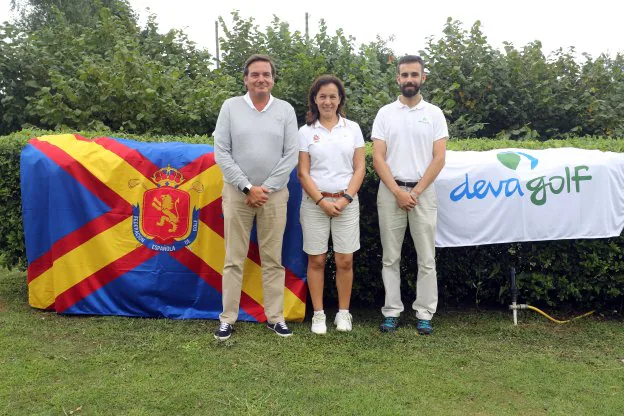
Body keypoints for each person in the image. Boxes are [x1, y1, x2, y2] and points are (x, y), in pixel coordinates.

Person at [213, 54, 299, 340]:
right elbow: (221, 151)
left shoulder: (285, 110)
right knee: (233, 259)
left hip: (274, 197)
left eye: (266, 74)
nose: (261, 79)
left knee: (273, 259)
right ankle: (227, 318)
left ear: (273, 78)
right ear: (246, 78)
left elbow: (291, 154)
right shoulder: (230, 107)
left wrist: (266, 189)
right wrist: (248, 187)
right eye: (255, 74)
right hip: (238, 195)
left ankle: (275, 317)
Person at [372, 55, 448, 335]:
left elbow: (439, 158)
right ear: (397, 78)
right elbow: (378, 158)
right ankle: (392, 311)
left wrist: (414, 192)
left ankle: (424, 312)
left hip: (422, 193)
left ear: (423, 78)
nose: (409, 80)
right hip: (391, 191)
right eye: (404, 75)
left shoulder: (434, 114)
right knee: (390, 257)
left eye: (414, 75)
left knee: (426, 258)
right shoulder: (385, 113)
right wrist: (397, 191)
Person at [297, 75, 365, 334]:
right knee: (316, 260)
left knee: (345, 260)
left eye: (332, 96)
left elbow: (360, 167)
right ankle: (318, 314)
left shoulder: (353, 129)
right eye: (322, 96)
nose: (327, 101)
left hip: (346, 202)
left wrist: (346, 198)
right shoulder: (305, 132)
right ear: (315, 99)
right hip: (315, 203)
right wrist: (322, 200)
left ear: (340, 100)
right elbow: (303, 173)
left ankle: (344, 314)